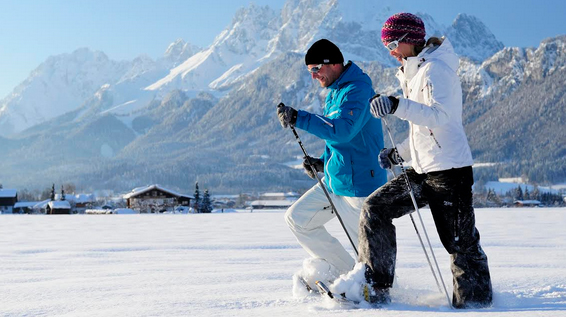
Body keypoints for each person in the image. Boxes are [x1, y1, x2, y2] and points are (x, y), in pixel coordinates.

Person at [357, 13, 493, 308]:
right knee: (375, 208)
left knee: (459, 243)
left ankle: (476, 306)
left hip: (450, 171)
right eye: (385, 46)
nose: (390, 51)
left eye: (392, 43)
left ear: (410, 39)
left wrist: (396, 104)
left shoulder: (436, 71)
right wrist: (399, 153)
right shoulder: (414, 73)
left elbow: (441, 117)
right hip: (422, 170)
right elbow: (424, 130)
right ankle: (376, 287)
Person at [277, 39, 387, 288]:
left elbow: (342, 130)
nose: (314, 76)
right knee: (298, 219)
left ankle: (371, 289)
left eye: (316, 68)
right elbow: (337, 141)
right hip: (335, 180)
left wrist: (299, 118)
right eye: (310, 71)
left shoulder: (357, 89)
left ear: (333, 63)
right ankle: (347, 275)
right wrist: (323, 162)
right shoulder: (335, 92)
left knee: (368, 256)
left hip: (360, 187)